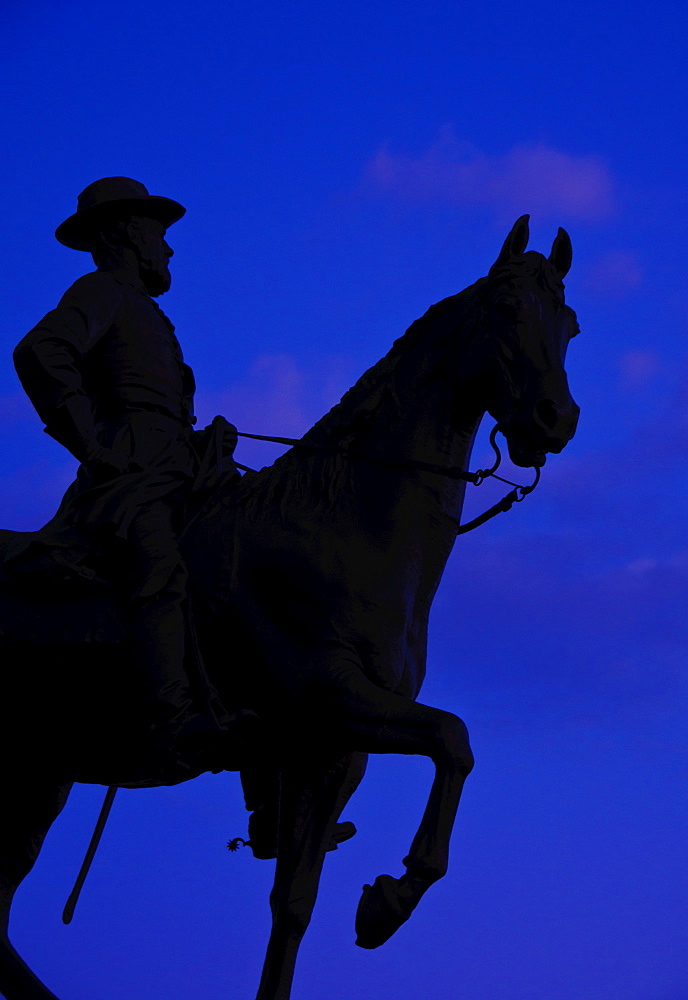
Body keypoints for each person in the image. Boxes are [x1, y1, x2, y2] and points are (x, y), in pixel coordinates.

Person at [12, 176, 252, 783]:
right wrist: (91, 444)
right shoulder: (101, 291)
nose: (168, 249)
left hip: (178, 467)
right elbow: (41, 350)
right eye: (158, 234)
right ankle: (169, 718)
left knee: (252, 563)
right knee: (160, 569)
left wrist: (202, 442)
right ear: (125, 233)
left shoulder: (145, 312)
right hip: (132, 478)